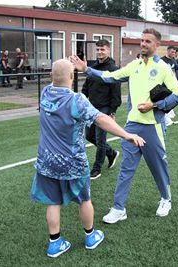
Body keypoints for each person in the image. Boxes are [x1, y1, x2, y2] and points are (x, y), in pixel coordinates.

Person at [30, 59, 145, 258]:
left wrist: (62, 67)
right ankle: (91, 236)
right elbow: (101, 119)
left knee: (52, 201)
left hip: (47, 162)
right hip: (72, 163)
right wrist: (127, 135)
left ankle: (55, 243)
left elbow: (57, 78)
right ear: (73, 77)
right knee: (84, 200)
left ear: (50, 76)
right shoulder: (77, 100)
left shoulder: (45, 93)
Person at [71, 28, 178, 222]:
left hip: (153, 127)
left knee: (158, 167)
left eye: (148, 41)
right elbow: (109, 76)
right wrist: (86, 70)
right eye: (142, 40)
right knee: (125, 169)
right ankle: (118, 208)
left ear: (157, 45)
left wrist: (154, 105)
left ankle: (166, 199)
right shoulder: (134, 65)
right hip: (131, 127)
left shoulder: (164, 68)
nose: (143, 44)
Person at [82, 39, 122, 180]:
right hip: (91, 107)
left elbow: (116, 93)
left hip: (104, 109)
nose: (99, 52)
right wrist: (83, 96)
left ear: (108, 50)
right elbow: (87, 84)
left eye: (102, 49)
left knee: (100, 140)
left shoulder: (113, 69)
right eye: (98, 50)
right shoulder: (93, 67)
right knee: (89, 136)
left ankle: (96, 168)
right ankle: (111, 153)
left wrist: (112, 112)